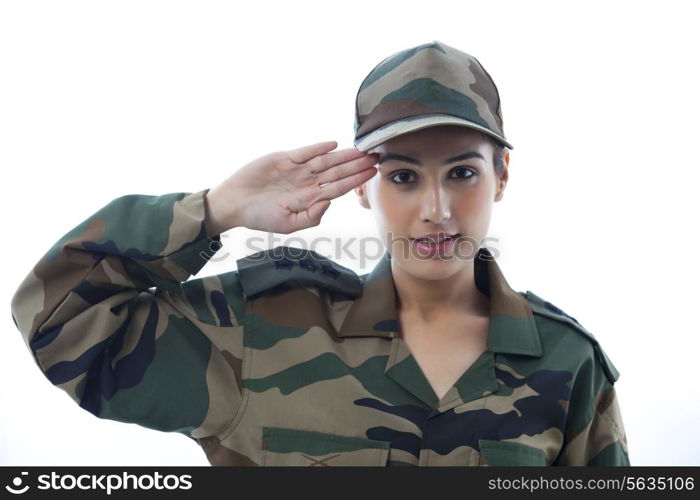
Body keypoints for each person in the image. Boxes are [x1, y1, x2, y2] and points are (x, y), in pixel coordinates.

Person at [10, 40, 629, 466]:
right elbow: (60, 320)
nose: (436, 209)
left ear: (502, 177)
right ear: (363, 185)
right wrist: (213, 210)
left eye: (463, 173)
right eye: (404, 176)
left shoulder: (569, 363)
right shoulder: (259, 328)